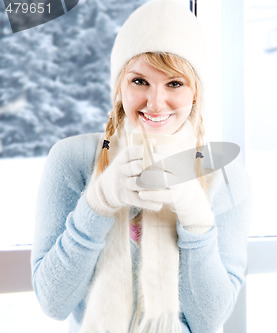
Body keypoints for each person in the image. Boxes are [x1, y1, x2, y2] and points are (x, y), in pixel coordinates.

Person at [30, 1, 250, 332]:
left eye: (174, 83)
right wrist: (98, 203)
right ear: (120, 86)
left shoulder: (222, 172)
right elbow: (53, 301)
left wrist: (195, 216)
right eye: (139, 81)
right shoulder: (72, 160)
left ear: (195, 93)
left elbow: (210, 318)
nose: (155, 101)